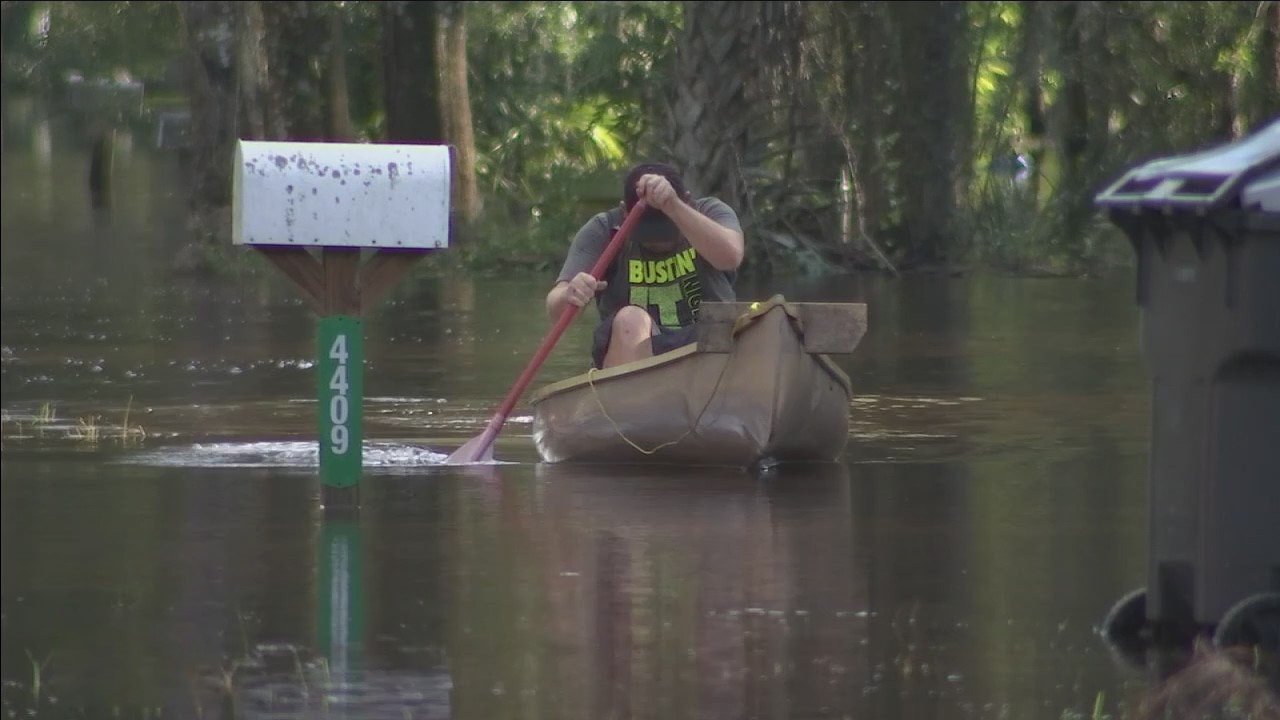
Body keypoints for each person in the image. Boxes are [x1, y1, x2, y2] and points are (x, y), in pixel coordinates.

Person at [545, 162, 745, 369]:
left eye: (666, 229)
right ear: (624, 212)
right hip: (635, 351)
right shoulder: (603, 229)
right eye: (647, 233)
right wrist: (570, 294)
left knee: (764, 318)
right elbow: (555, 312)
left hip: (706, 342)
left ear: (688, 201)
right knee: (630, 320)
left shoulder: (710, 211)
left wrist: (672, 206)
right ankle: (625, 393)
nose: (658, 242)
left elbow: (730, 257)